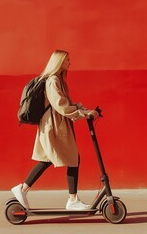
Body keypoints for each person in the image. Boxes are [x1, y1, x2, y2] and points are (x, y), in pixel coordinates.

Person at [12, 50, 99, 210]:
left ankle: (23, 189)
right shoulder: (53, 80)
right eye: (67, 60)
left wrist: (85, 110)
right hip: (54, 127)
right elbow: (61, 105)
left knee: (47, 159)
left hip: (54, 125)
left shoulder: (57, 79)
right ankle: (72, 200)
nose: (70, 63)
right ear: (59, 61)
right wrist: (82, 113)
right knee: (73, 158)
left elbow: (66, 102)